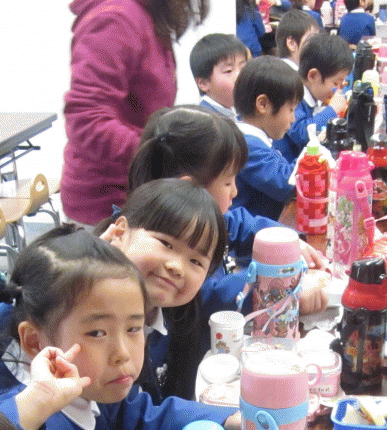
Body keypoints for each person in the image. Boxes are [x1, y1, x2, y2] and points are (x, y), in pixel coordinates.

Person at [0, 226, 241, 430]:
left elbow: (140, 418)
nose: (122, 354)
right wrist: (35, 404)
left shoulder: (97, 383)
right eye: (97, 333)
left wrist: (231, 423)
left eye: (133, 328)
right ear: (34, 341)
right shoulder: (19, 425)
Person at [127, 107, 327, 359]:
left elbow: (238, 224)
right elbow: (211, 295)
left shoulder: (189, 220)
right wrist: (281, 292)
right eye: (228, 182)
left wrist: (285, 242)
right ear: (191, 189)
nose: (235, 192)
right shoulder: (153, 249)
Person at [61, 0, 208, 226]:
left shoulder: (145, 14)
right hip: (106, 205)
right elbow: (87, 120)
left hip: (137, 192)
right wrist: (161, 155)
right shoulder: (115, 19)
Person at [95, 179, 227, 404]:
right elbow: (130, 413)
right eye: (166, 244)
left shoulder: (172, 316)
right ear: (119, 233)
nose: (177, 267)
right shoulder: (87, 318)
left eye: (196, 261)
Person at [233, 56, 304, 221]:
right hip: (253, 233)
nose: (293, 118)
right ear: (263, 105)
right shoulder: (247, 146)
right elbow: (288, 184)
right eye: (291, 109)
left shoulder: (253, 139)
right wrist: (314, 156)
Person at [274, 34, 352, 163]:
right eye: (335, 83)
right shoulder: (292, 95)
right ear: (313, 75)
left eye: (342, 84)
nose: (338, 89)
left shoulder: (313, 93)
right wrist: (332, 109)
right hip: (289, 165)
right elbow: (301, 133)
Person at [190, 33, 249, 120]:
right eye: (228, 71)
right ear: (203, 83)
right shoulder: (206, 121)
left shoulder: (235, 110)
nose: (240, 76)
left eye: (243, 68)